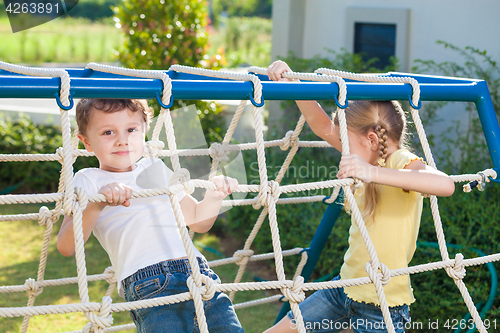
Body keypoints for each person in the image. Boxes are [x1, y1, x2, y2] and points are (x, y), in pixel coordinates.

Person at [265, 61, 455, 333]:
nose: (344, 151)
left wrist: (371, 172)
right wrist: (290, 83)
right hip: (344, 290)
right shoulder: (364, 158)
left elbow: (445, 185)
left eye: (348, 143)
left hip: (382, 304)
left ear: (371, 140)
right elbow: (321, 126)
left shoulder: (397, 161)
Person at [57, 99, 244, 333]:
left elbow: (197, 220)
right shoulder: (88, 179)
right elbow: (66, 245)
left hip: (199, 274)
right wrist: (97, 204)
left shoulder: (153, 167)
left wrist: (215, 197)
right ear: (86, 142)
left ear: (144, 130)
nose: (122, 139)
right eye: (108, 132)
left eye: (131, 130)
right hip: (149, 281)